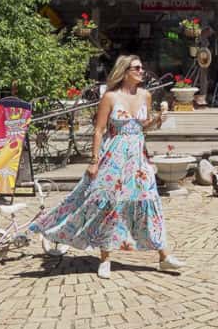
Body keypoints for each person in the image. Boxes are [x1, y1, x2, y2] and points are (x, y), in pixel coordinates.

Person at [29, 55, 184, 279]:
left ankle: (164, 256)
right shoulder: (110, 97)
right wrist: (94, 161)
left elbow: (143, 126)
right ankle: (105, 258)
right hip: (113, 156)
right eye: (137, 68)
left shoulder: (146, 96)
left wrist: (159, 119)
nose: (142, 71)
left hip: (138, 159)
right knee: (109, 203)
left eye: (142, 67)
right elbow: (99, 130)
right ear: (125, 71)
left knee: (149, 201)